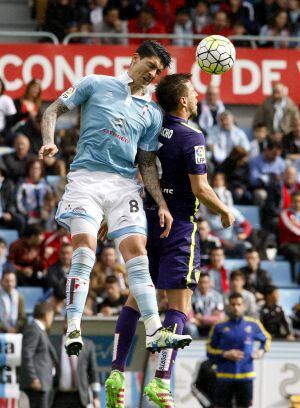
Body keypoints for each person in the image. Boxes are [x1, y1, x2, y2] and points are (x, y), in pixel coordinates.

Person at [39, 40, 190, 356]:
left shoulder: (151, 113)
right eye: (150, 66)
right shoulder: (96, 83)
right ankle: (73, 327)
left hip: (123, 186)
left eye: (159, 72)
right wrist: (49, 141)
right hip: (86, 181)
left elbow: (146, 162)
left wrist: (161, 203)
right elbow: (52, 109)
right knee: (85, 249)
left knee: (138, 253)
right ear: (134, 59)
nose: (153, 74)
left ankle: (155, 331)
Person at [105, 73, 235, 407]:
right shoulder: (192, 136)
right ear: (182, 101)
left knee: (137, 298)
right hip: (177, 226)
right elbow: (200, 189)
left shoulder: (148, 124)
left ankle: (116, 370)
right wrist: (224, 211)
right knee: (179, 306)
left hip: (144, 219)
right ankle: (161, 382)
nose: (197, 96)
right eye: (192, 92)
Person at [207, 292, 271, 408]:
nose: (236, 307)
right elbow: (209, 350)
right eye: (233, 304)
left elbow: (267, 338)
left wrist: (261, 351)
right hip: (224, 377)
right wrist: (225, 354)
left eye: (238, 304)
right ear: (228, 306)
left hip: (246, 376)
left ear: (244, 306)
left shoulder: (253, 324)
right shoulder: (219, 326)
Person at [51, 319, 100, 408]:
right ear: (65, 324)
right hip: (58, 397)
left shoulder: (88, 345)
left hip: (80, 397)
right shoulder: (53, 344)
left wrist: (96, 397)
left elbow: (93, 372)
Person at [20, 302, 58, 408]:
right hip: (36, 384)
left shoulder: (40, 330)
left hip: (42, 384)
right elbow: (27, 353)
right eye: (52, 316)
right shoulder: (33, 328)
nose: (52, 319)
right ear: (47, 315)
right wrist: (32, 378)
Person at [185, 272, 225, 338]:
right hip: (196, 325)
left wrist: (202, 319)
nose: (203, 285)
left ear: (210, 283)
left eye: (205, 282)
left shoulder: (217, 296)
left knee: (219, 326)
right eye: (201, 282)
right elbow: (189, 316)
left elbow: (219, 317)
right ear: (197, 283)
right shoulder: (191, 296)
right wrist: (198, 320)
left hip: (212, 325)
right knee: (190, 327)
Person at [16, 158, 53, 226]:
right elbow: (19, 202)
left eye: (37, 168)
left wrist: (47, 211)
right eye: (33, 168)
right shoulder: (23, 185)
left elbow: (51, 201)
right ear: (28, 169)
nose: (35, 171)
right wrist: (26, 213)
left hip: (44, 215)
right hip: (28, 215)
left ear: (41, 170)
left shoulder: (46, 185)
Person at [249, 139, 286, 207]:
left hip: (276, 190)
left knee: (284, 193)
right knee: (261, 195)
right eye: (274, 154)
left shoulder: (281, 162)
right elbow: (253, 181)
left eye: (277, 155)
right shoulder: (256, 161)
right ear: (266, 150)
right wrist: (269, 178)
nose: (276, 157)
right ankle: (261, 216)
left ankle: (277, 215)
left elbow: (283, 181)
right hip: (261, 189)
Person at [278, 192, 300, 279]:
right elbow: (292, 229)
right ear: (291, 202)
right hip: (288, 244)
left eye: (299, 201)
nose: (297, 204)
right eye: (295, 201)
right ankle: (295, 279)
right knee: (293, 253)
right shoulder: (284, 214)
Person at [0, 267, 27, 333]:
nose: (10, 284)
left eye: (12, 281)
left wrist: (15, 329)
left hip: (15, 331)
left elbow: (22, 317)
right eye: (7, 281)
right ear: (1, 281)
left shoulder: (19, 297)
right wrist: (6, 329)